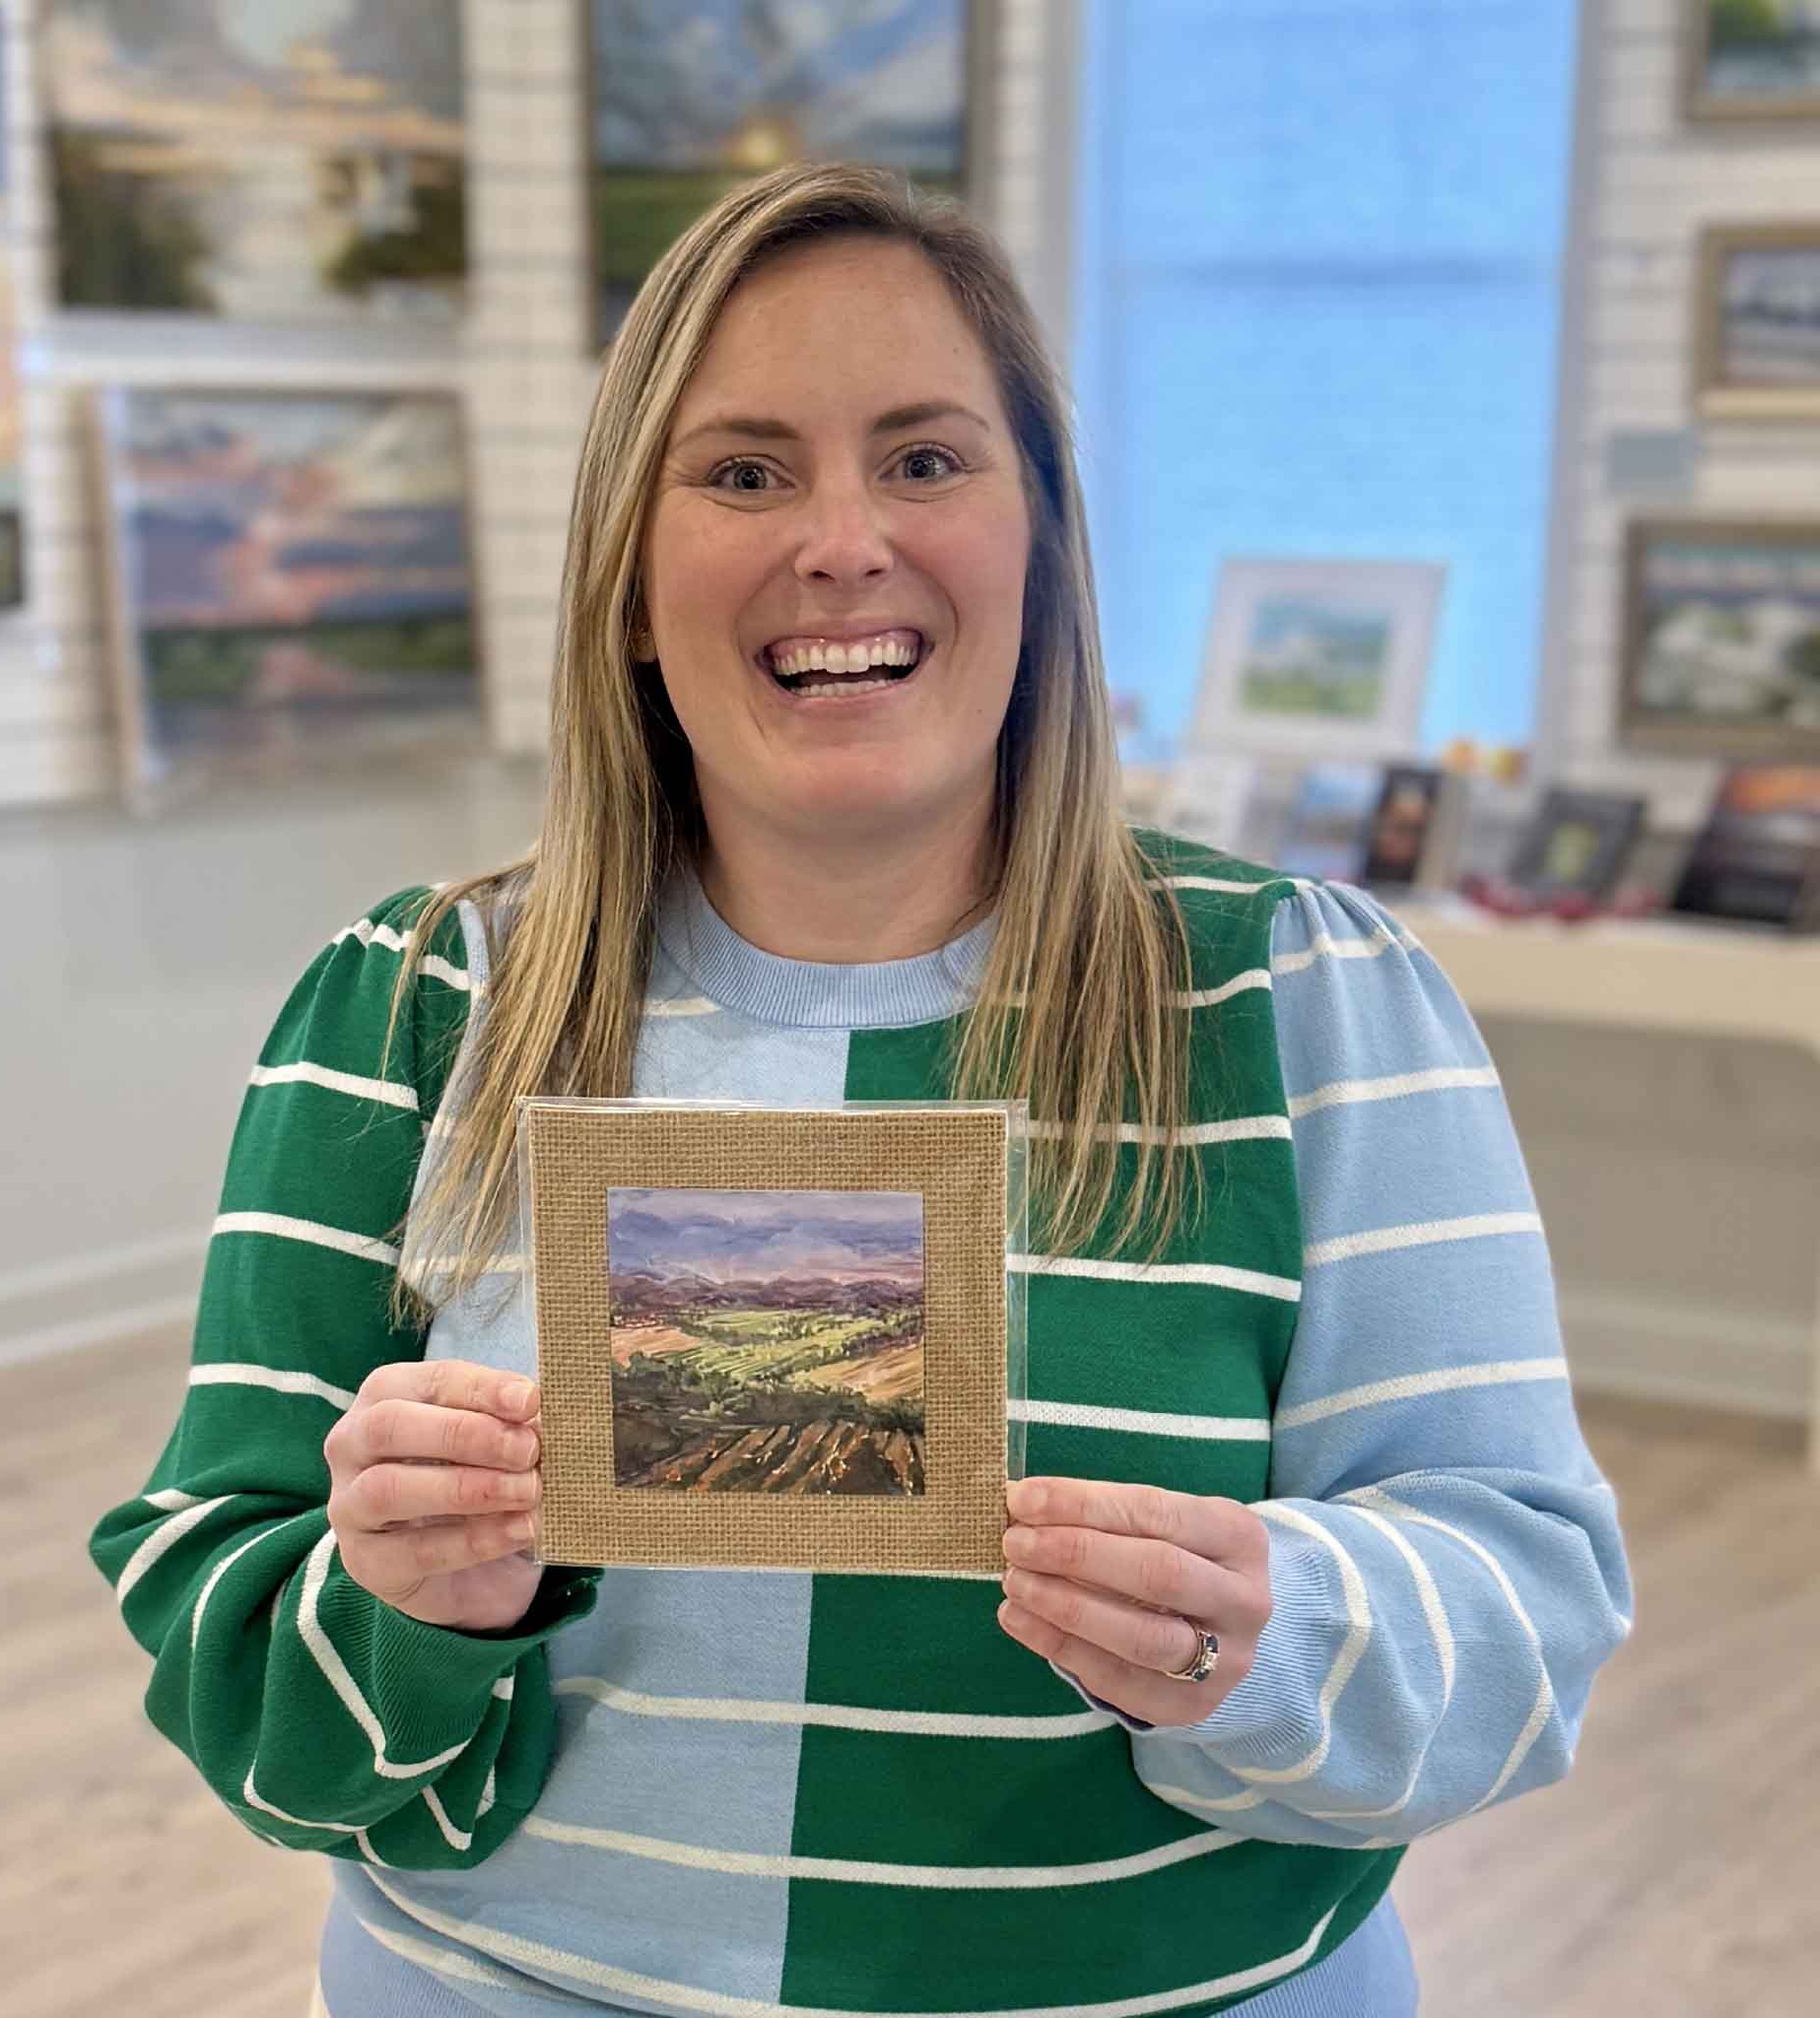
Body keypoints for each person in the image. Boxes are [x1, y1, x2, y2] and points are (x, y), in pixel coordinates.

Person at [91, 162, 1633, 2018]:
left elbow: (1526, 1623)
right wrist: (397, 1605)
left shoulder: (1309, 1001)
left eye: (924, 460)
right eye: (744, 472)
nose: (843, 542)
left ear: (1043, 546)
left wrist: (1275, 1633)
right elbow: (230, 1659)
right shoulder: (412, 1007)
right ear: (633, 587)